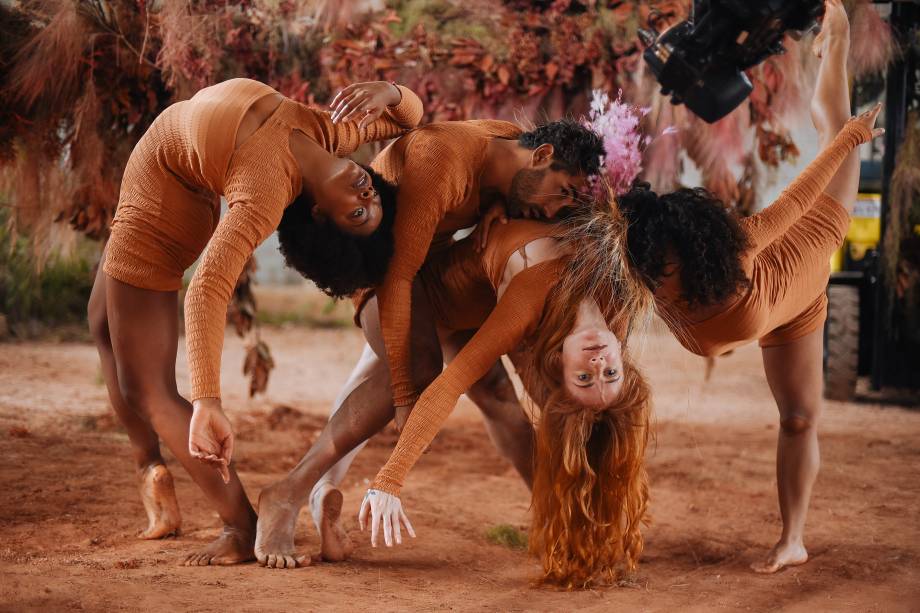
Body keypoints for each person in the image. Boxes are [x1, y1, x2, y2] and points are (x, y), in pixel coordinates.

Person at [87, 77, 421, 565]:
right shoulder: (330, 131)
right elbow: (408, 118)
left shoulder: (266, 189)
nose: (367, 195)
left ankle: (239, 526)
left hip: (163, 200)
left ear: (319, 216)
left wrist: (207, 399)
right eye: (373, 205)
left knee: (147, 388)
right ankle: (150, 468)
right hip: (165, 163)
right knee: (102, 322)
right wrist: (390, 92)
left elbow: (207, 287)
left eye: (356, 214)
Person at [257, 117, 607, 569]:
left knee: (497, 392)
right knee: (415, 374)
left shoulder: (513, 156)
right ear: (541, 157)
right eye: (561, 192)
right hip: (385, 280)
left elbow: (502, 191)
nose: (557, 209)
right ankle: (287, 493)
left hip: (439, 275)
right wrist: (408, 396)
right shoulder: (440, 159)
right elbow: (399, 274)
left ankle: (555, 519)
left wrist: (498, 202)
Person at [617, 0, 883, 574]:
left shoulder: (732, 246)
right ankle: (796, 542)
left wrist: (848, 142)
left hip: (808, 244)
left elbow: (794, 202)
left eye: (664, 261)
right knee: (798, 419)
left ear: (692, 253)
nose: (655, 273)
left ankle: (833, 36)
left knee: (832, 124)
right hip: (782, 308)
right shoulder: (641, 264)